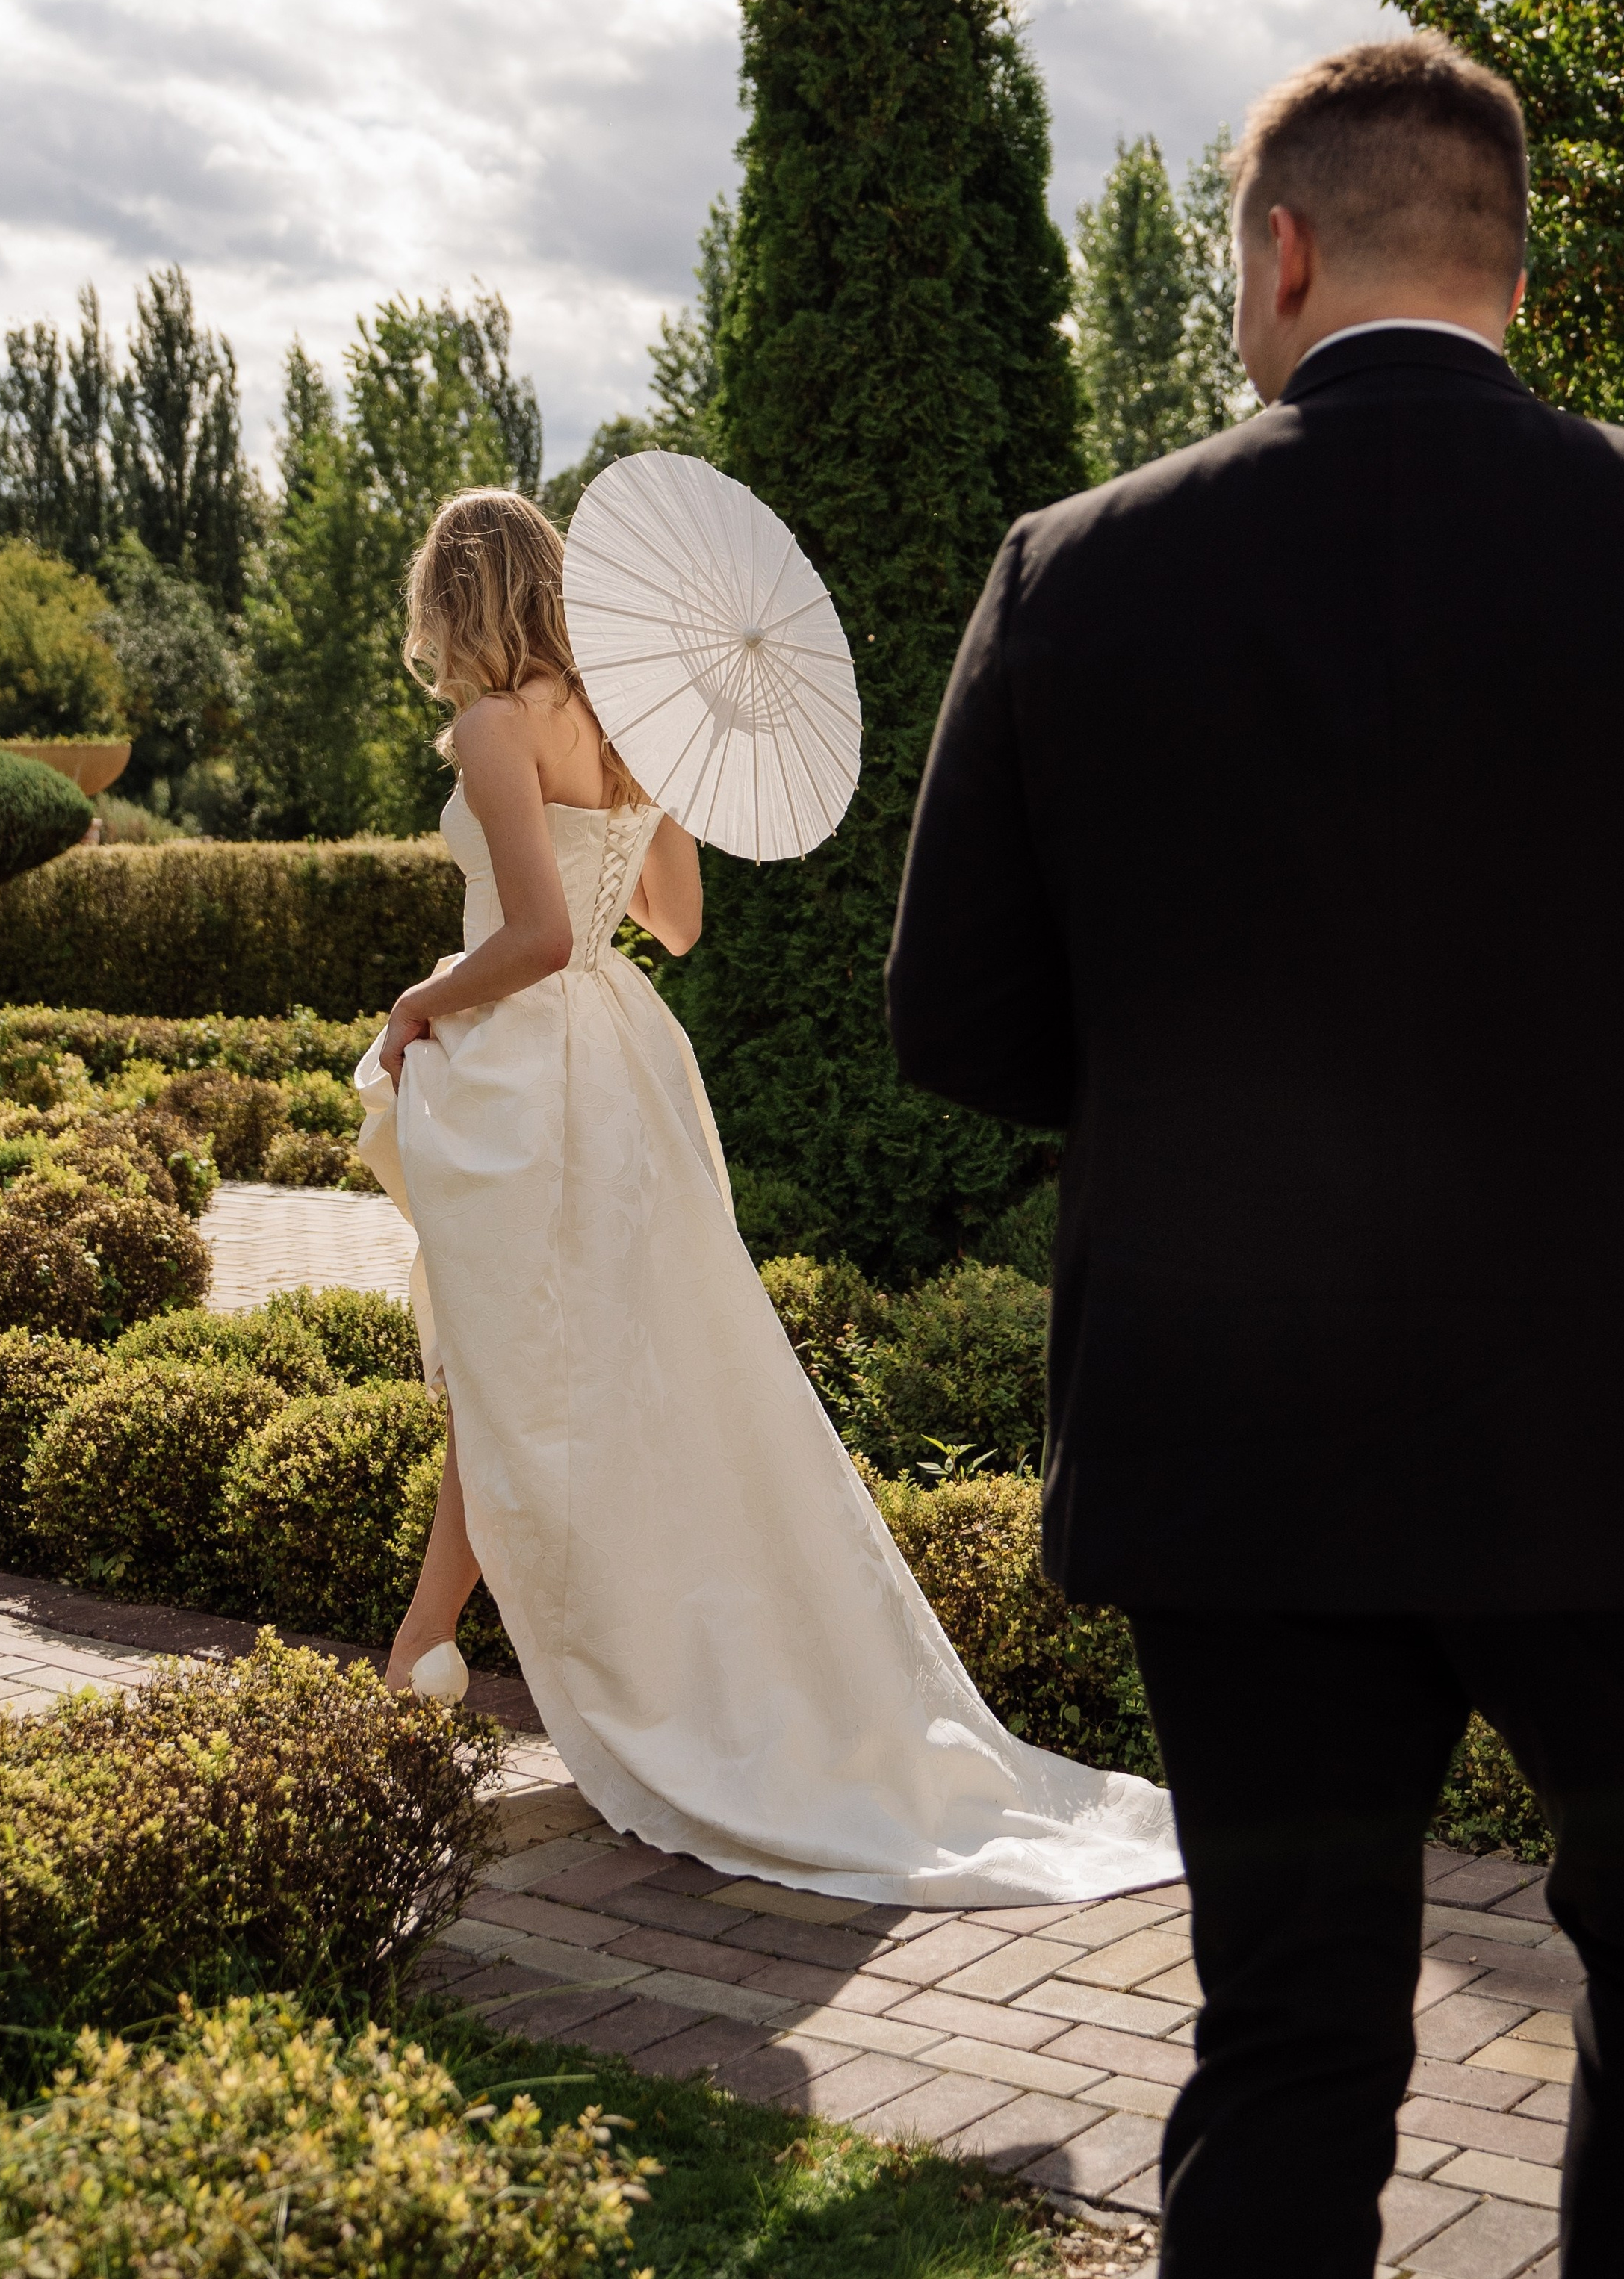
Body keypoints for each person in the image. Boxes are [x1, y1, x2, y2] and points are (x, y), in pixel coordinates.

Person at [887, 33, 1624, 2279]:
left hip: (1246, 1450)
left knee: (1290, 2026)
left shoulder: (1078, 574)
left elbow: (956, 1022)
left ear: (1279, 255)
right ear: (1512, 274)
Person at [355, 483, 1179, 1906]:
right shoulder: (618, 725)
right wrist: (647, 786)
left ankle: (425, 1667)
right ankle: (419, 1657)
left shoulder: (496, 725)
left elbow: (543, 936)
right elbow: (672, 925)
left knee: (509, 1383)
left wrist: (422, 996)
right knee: (528, 1386)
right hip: (622, 1075)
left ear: (458, 602)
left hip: (532, 1075)